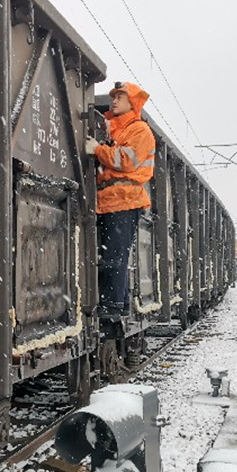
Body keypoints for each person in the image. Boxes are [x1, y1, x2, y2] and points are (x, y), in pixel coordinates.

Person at [85, 81, 155, 319]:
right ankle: (114, 304)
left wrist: (97, 150)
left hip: (125, 201)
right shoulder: (117, 129)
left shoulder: (140, 131)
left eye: (120, 97)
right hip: (109, 201)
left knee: (115, 257)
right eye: (114, 96)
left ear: (132, 102)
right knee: (110, 256)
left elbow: (125, 160)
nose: (114, 100)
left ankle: (113, 308)